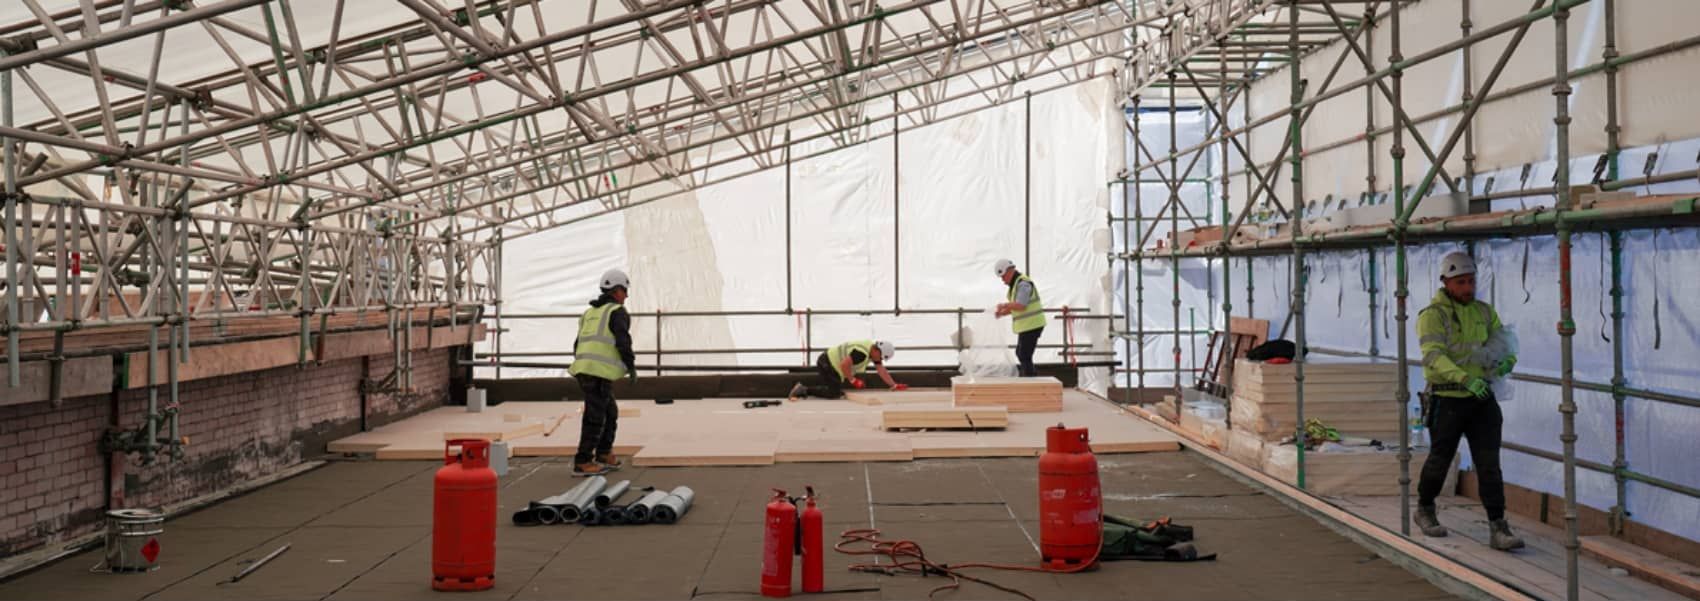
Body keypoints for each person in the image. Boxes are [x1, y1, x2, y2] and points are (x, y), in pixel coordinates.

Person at [1413, 252, 1524, 551]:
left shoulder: (1484, 312)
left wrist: (1506, 363)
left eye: (1471, 281)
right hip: (1447, 397)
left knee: (1489, 464)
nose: (1468, 288)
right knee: (1440, 458)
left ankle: (1498, 526)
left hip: (1481, 397)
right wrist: (1463, 378)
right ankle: (1425, 508)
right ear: (1446, 282)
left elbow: (1504, 343)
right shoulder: (1432, 316)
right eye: (1461, 282)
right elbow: (1433, 356)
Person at [567, 269, 637, 476]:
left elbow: (577, 343)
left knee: (609, 412)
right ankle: (583, 460)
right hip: (596, 372)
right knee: (595, 416)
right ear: (616, 291)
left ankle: (604, 453)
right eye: (625, 291)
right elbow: (623, 341)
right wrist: (631, 366)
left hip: (586, 370)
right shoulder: (617, 312)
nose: (626, 296)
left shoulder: (590, 312)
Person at [788, 340, 906, 400]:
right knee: (833, 393)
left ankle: (807, 389)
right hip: (827, 363)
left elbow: (881, 370)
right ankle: (803, 389)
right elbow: (844, 365)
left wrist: (893, 385)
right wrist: (853, 380)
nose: (880, 360)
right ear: (877, 351)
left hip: (831, 364)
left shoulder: (871, 349)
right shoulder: (861, 353)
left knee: (837, 391)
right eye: (881, 357)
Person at [992, 259, 1045, 377]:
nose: (1003, 280)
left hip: (1033, 324)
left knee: (1024, 354)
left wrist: (1005, 305)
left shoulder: (1023, 284)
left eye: (1003, 276)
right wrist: (1002, 313)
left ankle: (1030, 380)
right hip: (1028, 325)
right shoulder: (1016, 284)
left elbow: (1021, 305)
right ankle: (1029, 377)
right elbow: (1015, 307)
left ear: (1009, 271)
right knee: (1021, 353)